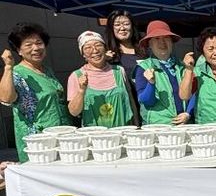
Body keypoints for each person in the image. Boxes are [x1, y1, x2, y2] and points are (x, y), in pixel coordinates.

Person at [0, 23, 71, 162]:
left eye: (39, 43)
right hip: (39, 143)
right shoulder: (17, 73)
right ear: (19, 50)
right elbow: (6, 98)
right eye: (28, 45)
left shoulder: (47, 70)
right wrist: (8, 67)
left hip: (61, 137)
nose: (36, 48)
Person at [67, 31, 136, 128]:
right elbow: (74, 112)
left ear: (105, 49)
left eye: (98, 45)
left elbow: (131, 102)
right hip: (94, 135)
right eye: (88, 47)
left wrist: (136, 125)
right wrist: (81, 90)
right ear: (83, 54)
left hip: (122, 131)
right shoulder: (76, 76)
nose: (95, 50)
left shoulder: (119, 71)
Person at [134, 20, 195, 125]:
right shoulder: (143, 67)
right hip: (158, 127)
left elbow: (194, 93)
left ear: (171, 42)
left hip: (183, 125)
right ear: (149, 44)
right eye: (157, 38)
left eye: (166, 38)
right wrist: (151, 83)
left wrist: (188, 113)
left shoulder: (182, 65)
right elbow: (147, 102)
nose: (162, 42)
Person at [104, 10, 145, 125]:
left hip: (147, 102)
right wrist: (104, 61)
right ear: (111, 29)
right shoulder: (108, 55)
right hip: (126, 106)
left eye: (126, 24)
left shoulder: (145, 50)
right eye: (117, 25)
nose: (122, 28)